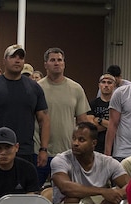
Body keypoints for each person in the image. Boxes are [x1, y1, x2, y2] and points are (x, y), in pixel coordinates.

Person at [0, 45, 49, 169]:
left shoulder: (34, 88)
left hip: (25, 152)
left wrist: (44, 149)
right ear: (4, 60)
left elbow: (44, 120)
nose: (17, 60)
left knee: (25, 188)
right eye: (13, 56)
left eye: (21, 57)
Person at [36, 47, 92, 182]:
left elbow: (82, 122)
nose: (56, 63)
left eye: (59, 60)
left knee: (67, 194)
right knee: (37, 192)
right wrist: (41, 150)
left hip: (67, 153)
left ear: (64, 63)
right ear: (45, 64)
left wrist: (84, 150)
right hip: (40, 152)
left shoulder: (76, 88)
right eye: (52, 60)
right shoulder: (37, 88)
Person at [50, 123, 128, 204]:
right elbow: (66, 188)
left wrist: (115, 196)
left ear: (93, 143)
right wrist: (103, 192)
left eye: (81, 140)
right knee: (72, 199)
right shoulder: (60, 160)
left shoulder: (108, 162)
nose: (75, 143)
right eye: (74, 139)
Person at [89, 73, 116, 153]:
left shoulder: (118, 104)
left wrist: (99, 121)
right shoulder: (92, 104)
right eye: (103, 82)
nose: (106, 85)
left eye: (109, 82)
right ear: (99, 85)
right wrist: (112, 125)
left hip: (115, 146)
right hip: (96, 146)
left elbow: (120, 127)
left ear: (114, 86)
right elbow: (91, 128)